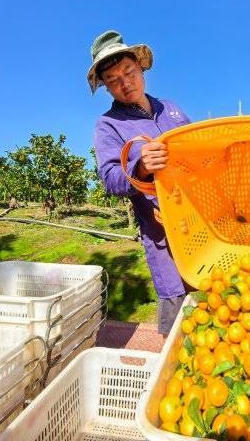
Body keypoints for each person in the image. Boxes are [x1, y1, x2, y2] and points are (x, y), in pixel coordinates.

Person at [88, 30, 190, 336]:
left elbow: (198, 152)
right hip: (164, 238)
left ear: (140, 68)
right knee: (178, 322)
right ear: (105, 86)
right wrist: (141, 166)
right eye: (113, 79)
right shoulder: (109, 125)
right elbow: (110, 179)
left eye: (129, 72)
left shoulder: (170, 108)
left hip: (202, 223)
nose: (125, 83)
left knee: (217, 310)